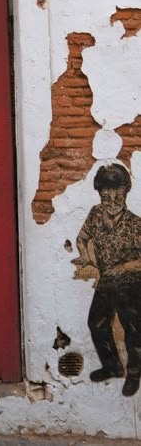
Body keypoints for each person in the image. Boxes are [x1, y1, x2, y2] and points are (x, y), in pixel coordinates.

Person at [72, 163, 141, 397]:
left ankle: (134, 373)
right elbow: (81, 238)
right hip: (106, 281)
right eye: (105, 196)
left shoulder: (135, 224)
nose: (112, 201)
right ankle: (112, 366)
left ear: (125, 192)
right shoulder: (94, 214)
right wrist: (87, 258)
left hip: (131, 283)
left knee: (133, 328)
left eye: (118, 195)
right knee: (97, 323)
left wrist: (123, 267)